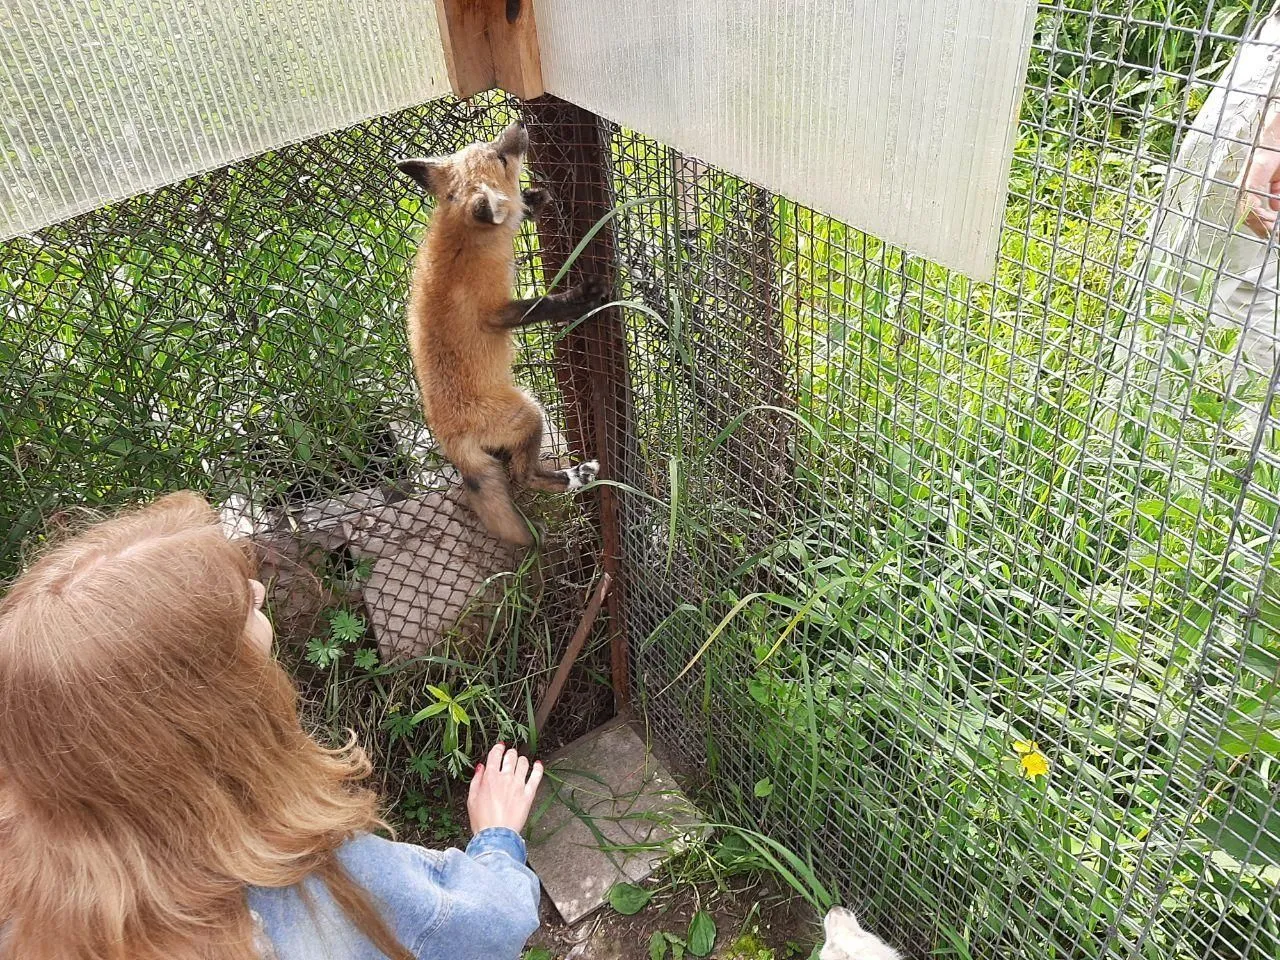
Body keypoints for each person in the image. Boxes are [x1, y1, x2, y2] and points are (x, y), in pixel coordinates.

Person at [0, 491, 542, 960]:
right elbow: (489, 924)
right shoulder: (322, 884)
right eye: (243, 606)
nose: (258, 592)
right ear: (214, 713)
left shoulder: (25, 895)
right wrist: (497, 839)